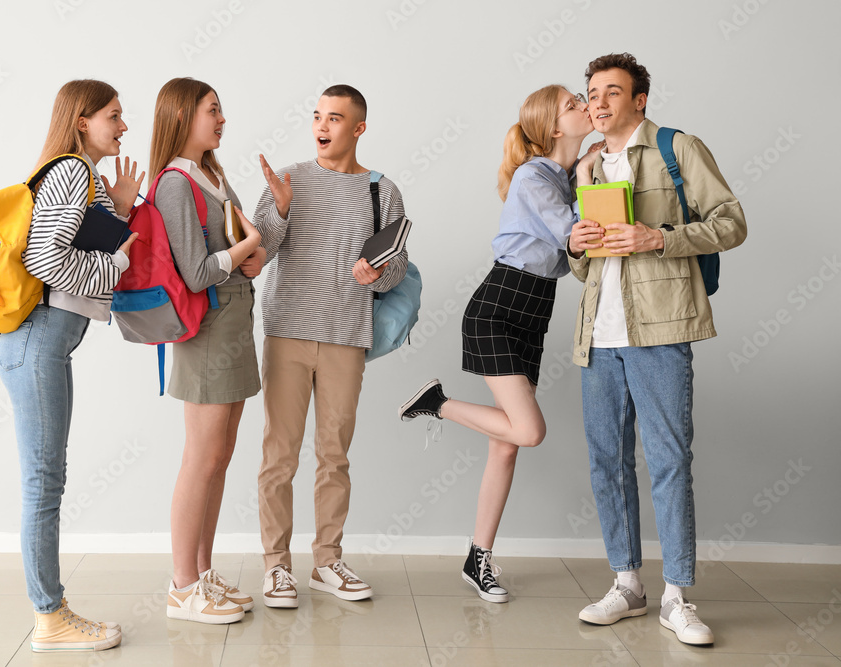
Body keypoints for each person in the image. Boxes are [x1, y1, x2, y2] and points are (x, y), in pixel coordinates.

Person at [566, 53, 746, 645]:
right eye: (591, 92)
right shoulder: (587, 165)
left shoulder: (676, 147)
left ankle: (676, 595)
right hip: (599, 335)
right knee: (607, 463)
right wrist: (576, 243)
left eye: (611, 92)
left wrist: (659, 237)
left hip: (662, 329)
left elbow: (731, 221)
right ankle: (627, 584)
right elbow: (582, 266)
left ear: (639, 100)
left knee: (668, 461)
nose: (598, 102)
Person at [398, 85, 600, 602]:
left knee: (506, 445)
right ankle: (437, 404)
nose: (586, 105)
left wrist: (585, 176)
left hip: (534, 311)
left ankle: (478, 559)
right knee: (529, 431)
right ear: (555, 128)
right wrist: (584, 177)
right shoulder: (535, 176)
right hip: (499, 305)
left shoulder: (561, 177)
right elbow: (577, 237)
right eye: (575, 103)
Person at [0, 79, 143, 652]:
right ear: (82, 120)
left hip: (45, 345)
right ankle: (49, 617)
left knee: (47, 478)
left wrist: (121, 209)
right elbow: (44, 257)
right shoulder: (69, 172)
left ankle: (50, 611)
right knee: (43, 481)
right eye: (114, 115)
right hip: (36, 344)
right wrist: (119, 263)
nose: (124, 126)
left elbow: (76, 241)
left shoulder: (82, 178)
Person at [254, 84, 409, 608]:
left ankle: (327, 560)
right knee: (279, 456)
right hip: (287, 333)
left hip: (346, 337)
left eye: (335, 118)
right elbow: (260, 253)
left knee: (334, 456)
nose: (322, 127)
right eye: (317, 116)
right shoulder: (290, 179)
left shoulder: (381, 189)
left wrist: (378, 273)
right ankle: (276, 568)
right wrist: (278, 210)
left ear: (358, 128)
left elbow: (396, 270)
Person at [150, 78, 264, 625]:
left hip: (235, 320)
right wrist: (248, 248)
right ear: (182, 115)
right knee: (201, 458)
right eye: (212, 111)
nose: (222, 120)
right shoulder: (175, 182)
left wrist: (258, 242)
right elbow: (196, 273)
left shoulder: (213, 175)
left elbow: (251, 249)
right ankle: (181, 587)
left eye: (222, 110)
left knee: (219, 458)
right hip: (208, 326)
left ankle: (203, 573)